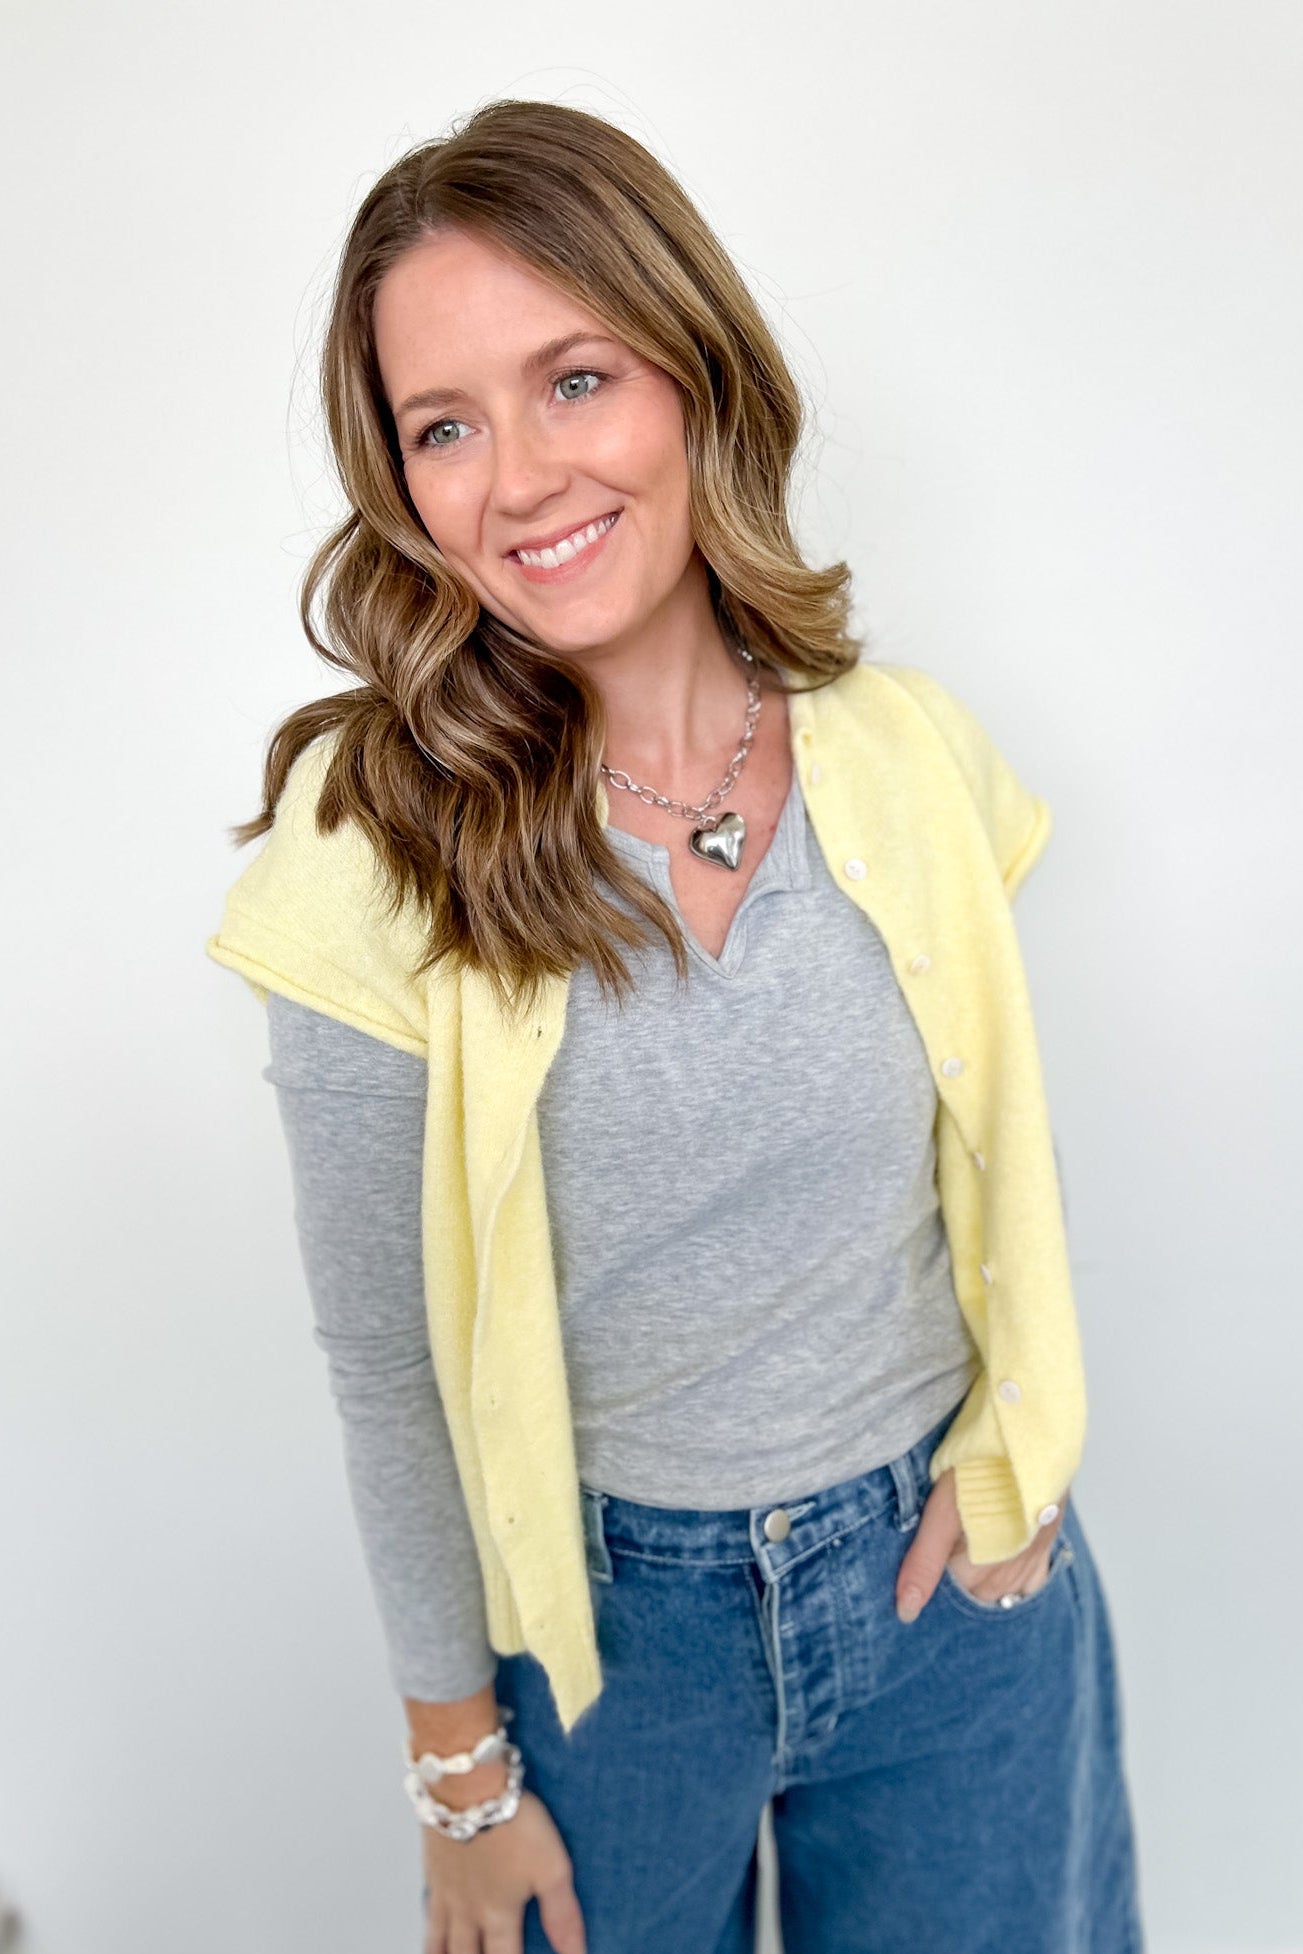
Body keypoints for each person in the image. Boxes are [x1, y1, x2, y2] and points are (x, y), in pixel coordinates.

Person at [206, 98, 1145, 1954]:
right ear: (399, 482)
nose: (522, 478)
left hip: (956, 1595)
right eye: (445, 427)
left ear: (696, 371)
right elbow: (389, 1369)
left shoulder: (913, 751)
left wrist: (1019, 1457)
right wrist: (458, 1774)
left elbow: (994, 1158)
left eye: (577, 378)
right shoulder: (369, 845)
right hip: (607, 1650)